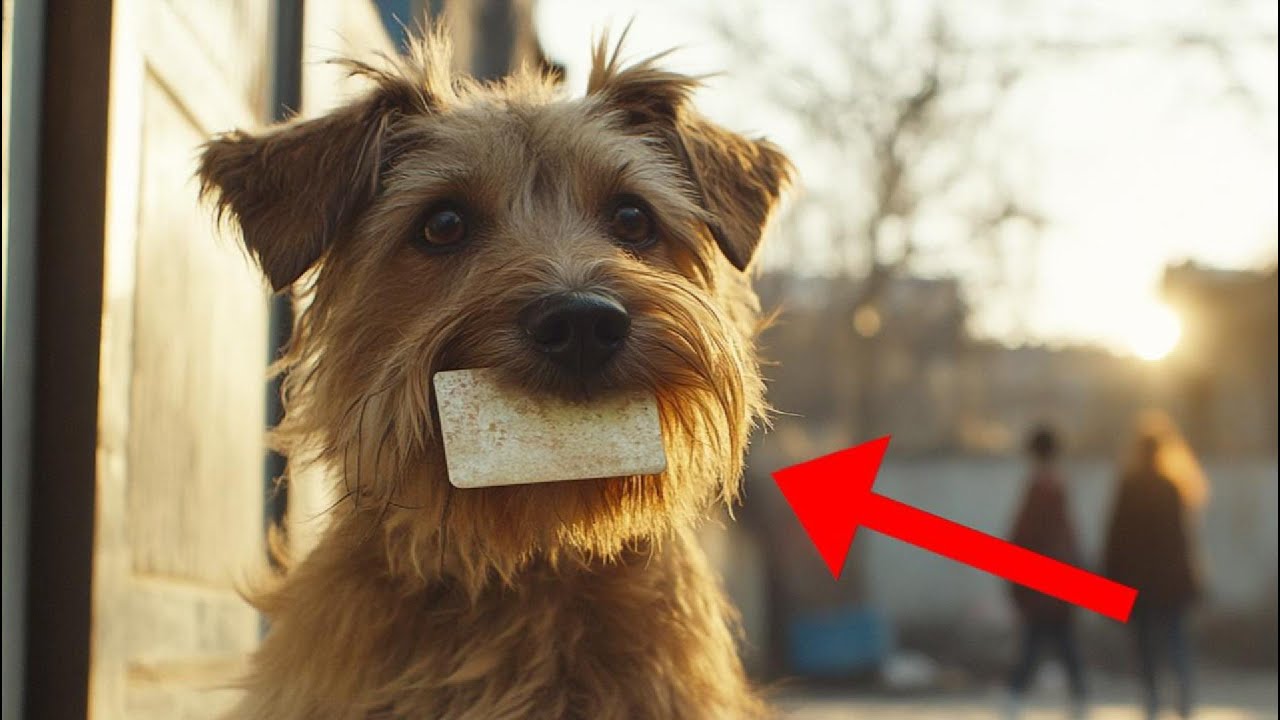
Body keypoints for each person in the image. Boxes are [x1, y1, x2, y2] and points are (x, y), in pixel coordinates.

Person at [1104, 411, 1207, 720]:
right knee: (1175, 641)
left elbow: (1115, 538)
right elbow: (1183, 540)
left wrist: (1112, 578)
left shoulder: (1129, 486)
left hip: (1139, 583)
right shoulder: (1171, 487)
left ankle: (1153, 701)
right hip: (1170, 583)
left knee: (1146, 647)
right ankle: (1183, 698)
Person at [1006, 425, 1088, 719]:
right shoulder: (1057, 488)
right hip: (1058, 582)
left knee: (1036, 645)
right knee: (1062, 645)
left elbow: (1023, 538)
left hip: (1041, 582)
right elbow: (1069, 539)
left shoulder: (1040, 490)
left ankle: (1015, 698)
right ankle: (1079, 698)